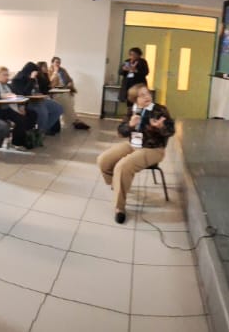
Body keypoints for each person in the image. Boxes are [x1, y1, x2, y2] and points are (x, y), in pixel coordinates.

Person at [96, 86, 174, 224]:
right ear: (134, 99)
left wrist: (160, 127)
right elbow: (121, 132)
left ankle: (119, 208)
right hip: (133, 145)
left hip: (153, 149)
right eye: (142, 95)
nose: (147, 96)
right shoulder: (131, 110)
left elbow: (171, 131)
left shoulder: (159, 110)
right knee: (103, 160)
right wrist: (130, 125)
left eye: (147, 93)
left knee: (122, 167)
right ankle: (116, 184)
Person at [0, 65, 34, 148]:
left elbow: (17, 94)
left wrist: (21, 106)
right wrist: (2, 96)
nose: (7, 77)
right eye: (4, 75)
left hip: (6, 109)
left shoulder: (7, 85)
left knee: (22, 119)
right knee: (4, 125)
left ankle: (17, 142)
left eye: (7, 75)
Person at [12, 61, 65, 135]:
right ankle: (40, 133)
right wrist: (32, 79)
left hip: (38, 100)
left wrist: (38, 93)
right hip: (27, 102)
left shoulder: (33, 78)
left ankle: (43, 130)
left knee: (59, 108)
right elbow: (24, 94)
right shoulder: (17, 79)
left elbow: (38, 89)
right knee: (43, 112)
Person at [48, 57, 91, 130]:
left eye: (59, 62)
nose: (58, 64)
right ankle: (75, 121)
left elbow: (69, 79)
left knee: (69, 100)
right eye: (56, 62)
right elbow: (49, 82)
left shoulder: (63, 70)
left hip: (64, 90)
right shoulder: (49, 71)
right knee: (66, 100)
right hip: (55, 92)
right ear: (52, 63)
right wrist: (55, 72)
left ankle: (73, 120)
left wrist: (70, 83)